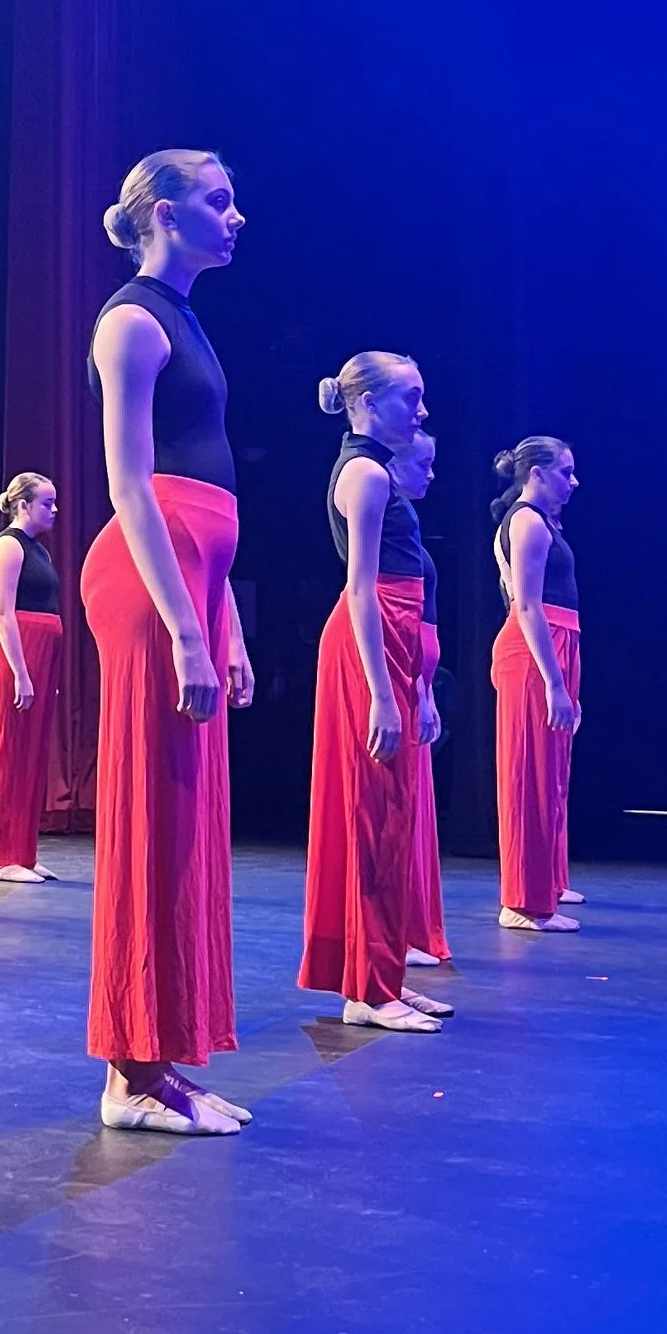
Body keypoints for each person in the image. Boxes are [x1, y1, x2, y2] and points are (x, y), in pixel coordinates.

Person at [84, 150, 255, 1134]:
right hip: (151, 587)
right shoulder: (132, 321)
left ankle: (161, 1059)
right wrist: (188, 628)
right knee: (153, 822)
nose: (237, 216)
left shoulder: (186, 318)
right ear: (162, 211)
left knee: (185, 826)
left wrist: (220, 618)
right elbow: (129, 486)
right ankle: (127, 1074)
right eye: (218, 199)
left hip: (192, 586)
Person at [299, 353, 451, 1032]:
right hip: (371, 641)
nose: (421, 411)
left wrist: (415, 686)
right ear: (367, 401)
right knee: (372, 816)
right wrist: (384, 693)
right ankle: (367, 987)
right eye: (410, 397)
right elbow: (360, 586)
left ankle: (382, 973)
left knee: (393, 819)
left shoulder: (381, 473)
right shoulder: (363, 473)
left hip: (392, 640)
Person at [492, 436, 584, 932]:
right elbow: (525, 604)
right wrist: (553, 681)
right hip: (535, 648)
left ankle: (545, 880)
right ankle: (522, 901)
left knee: (551, 771)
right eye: (565, 471)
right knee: (528, 773)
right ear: (537, 474)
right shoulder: (526, 521)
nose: (573, 481)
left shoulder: (543, 522)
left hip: (556, 642)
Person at [0, 471, 63, 883]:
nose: (54, 510)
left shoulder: (39, 550)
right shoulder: (9, 546)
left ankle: (24, 853)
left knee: (32, 755)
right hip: (15, 650)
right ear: (23, 505)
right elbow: (4, 612)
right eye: (47, 503)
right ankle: (2, 857)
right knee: (10, 751)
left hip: (40, 653)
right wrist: (21, 673)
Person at [393, 429, 451, 969]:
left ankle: (409, 927)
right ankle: (395, 934)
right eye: (424, 463)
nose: (431, 474)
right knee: (396, 809)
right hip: (398, 667)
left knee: (413, 808)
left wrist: (426, 688)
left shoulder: (408, 522)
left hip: (415, 676)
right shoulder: (371, 490)